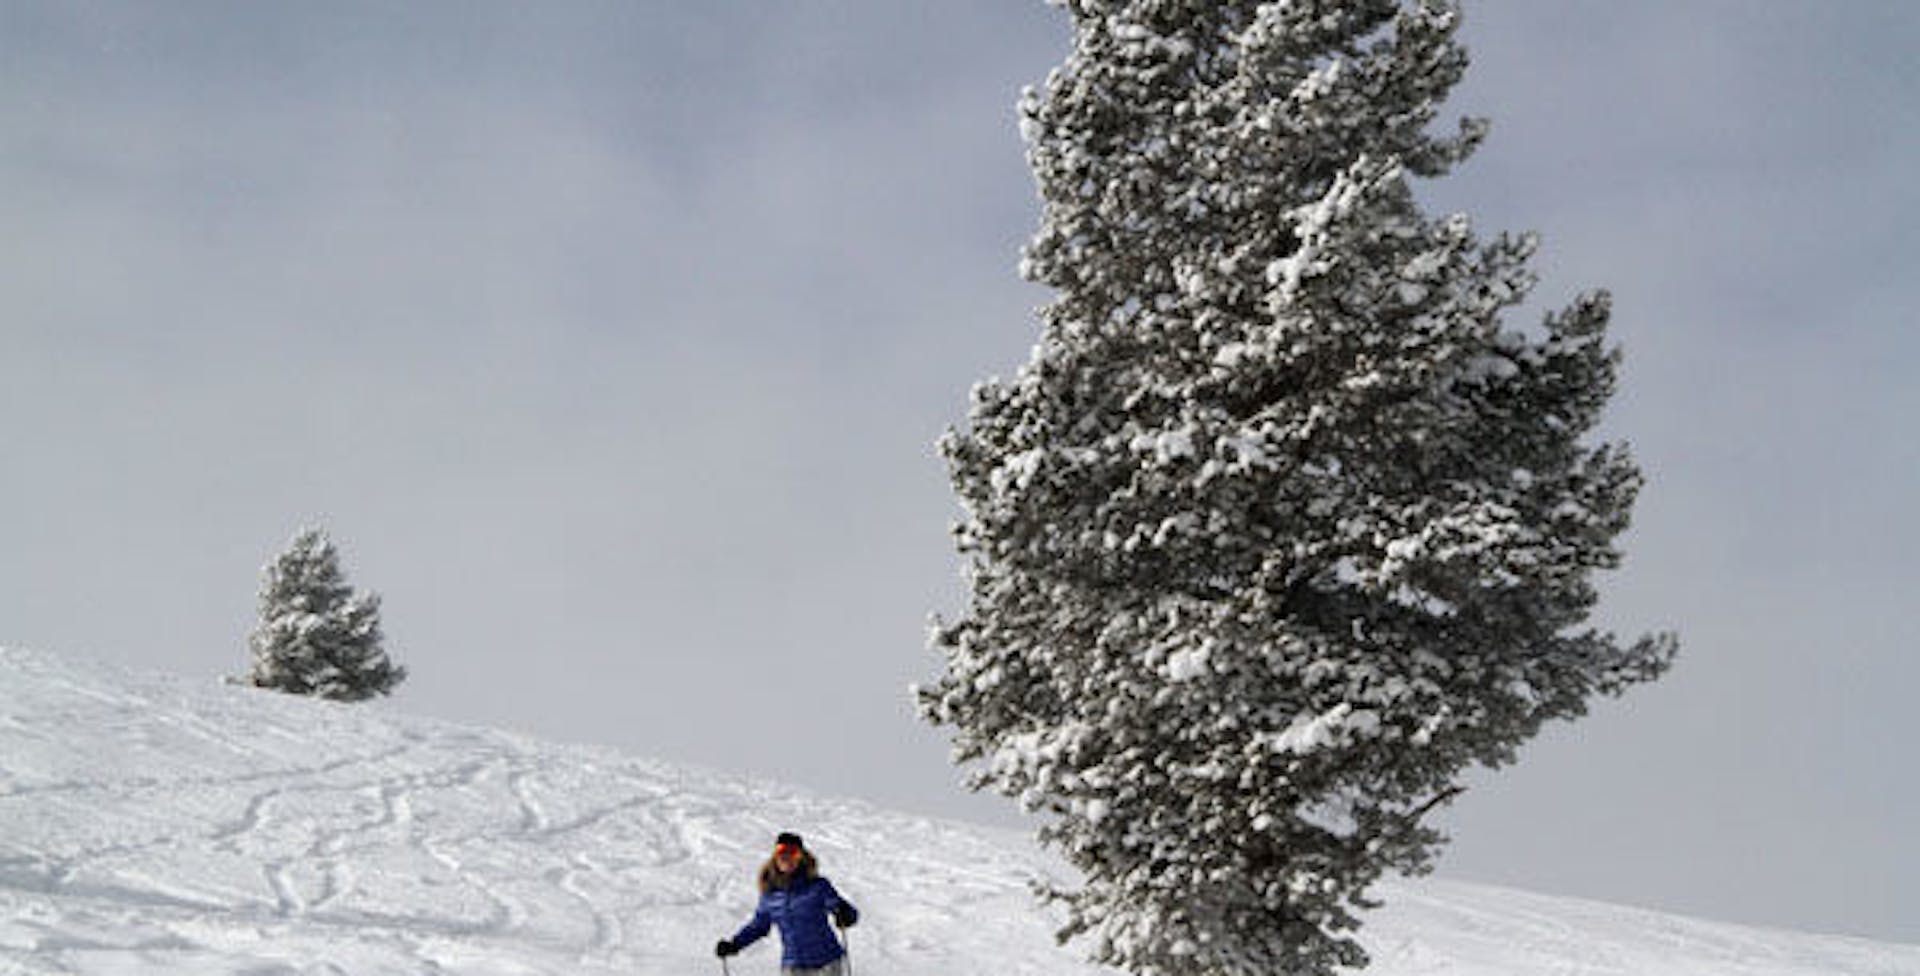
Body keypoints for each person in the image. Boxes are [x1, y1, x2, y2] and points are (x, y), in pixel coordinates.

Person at [716, 831, 859, 974]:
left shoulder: (818, 887)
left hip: (827, 963)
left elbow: (839, 907)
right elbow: (758, 926)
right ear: (775, 856)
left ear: (801, 857)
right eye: (782, 851)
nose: (787, 858)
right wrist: (734, 945)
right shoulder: (770, 895)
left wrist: (845, 913)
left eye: (794, 853)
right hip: (793, 965)